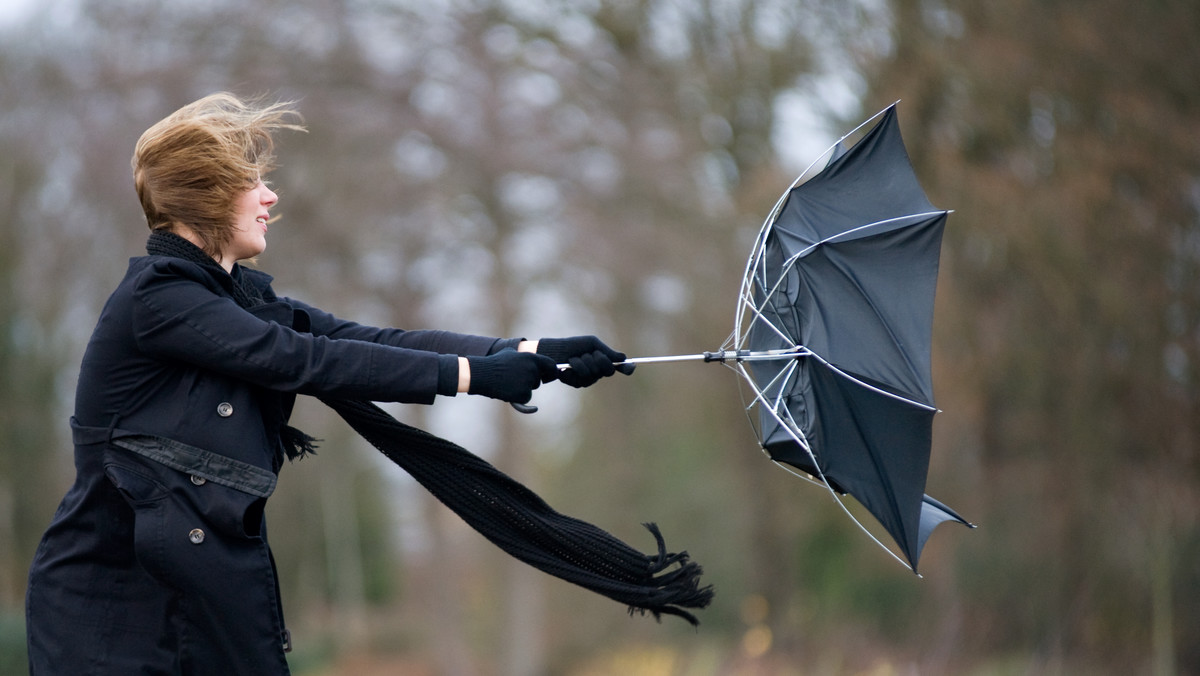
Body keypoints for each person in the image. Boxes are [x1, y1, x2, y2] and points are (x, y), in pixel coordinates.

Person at [24, 93, 637, 675]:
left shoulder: (235, 300)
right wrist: (473, 377)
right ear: (208, 197)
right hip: (113, 619)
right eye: (251, 183)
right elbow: (301, 359)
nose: (269, 197)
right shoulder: (158, 299)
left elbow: (366, 341)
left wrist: (528, 351)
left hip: (199, 602)